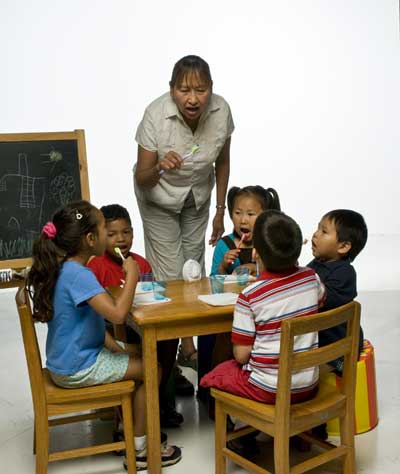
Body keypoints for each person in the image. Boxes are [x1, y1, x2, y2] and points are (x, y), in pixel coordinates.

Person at [26, 200, 181, 471]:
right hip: (78, 367)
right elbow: (118, 316)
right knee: (152, 368)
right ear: (90, 239)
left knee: (143, 352)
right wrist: (131, 275)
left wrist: (118, 349)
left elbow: (91, 322)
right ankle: (142, 448)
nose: (110, 236)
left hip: (67, 360)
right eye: (102, 230)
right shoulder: (79, 275)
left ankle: (129, 425)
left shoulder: (66, 268)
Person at [134, 54, 234, 369]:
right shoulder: (155, 114)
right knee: (169, 274)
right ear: (171, 89)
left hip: (197, 195)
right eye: (184, 90)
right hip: (158, 197)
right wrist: (160, 167)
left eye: (201, 90)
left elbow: (223, 161)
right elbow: (142, 177)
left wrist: (220, 210)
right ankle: (169, 356)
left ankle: (188, 348)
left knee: (192, 270)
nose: (192, 99)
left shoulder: (221, 110)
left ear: (211, 89)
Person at [200, 210, 326, 405]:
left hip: (269, 389)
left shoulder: (250, 296)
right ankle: (259, 430)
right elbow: (320, 300)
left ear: (255, 252)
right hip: (308, 383)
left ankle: (239, 426)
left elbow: (241, 356)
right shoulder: (311, 277)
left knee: (218, 374)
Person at [87, 203, 186, 428]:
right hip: (112, 330)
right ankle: (131, 412)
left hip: (140, 324)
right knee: (133, 342)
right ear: (100, 236)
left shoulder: (140, 263)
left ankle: (157, 400)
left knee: (169, 339)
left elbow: (149, 295)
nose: (120, 239)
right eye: (111, 234)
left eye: (126, 232)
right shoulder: (96, 266)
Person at [198, 185, 281, 404]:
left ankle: (249, 379)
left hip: (257, 312)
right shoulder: (224, 245)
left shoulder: (269, 245)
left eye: (251, 214)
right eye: (237, 213)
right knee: (208, 336)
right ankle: (208, 389)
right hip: (228, 310)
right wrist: (225, 268)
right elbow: (213, 282)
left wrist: (259, 267)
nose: (243, 220)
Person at [308, 209, 368, 371]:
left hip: (339, 347)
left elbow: (326, 299)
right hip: (319, 340)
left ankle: (340, 368)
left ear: (343, 246)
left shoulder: (345, 272)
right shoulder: (317, 263)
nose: (315, 234)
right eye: (317, 228)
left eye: (324, 231)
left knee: (306, 371)